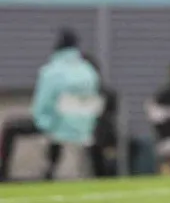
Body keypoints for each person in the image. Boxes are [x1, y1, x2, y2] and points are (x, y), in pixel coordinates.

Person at [0, 29, 102, 181]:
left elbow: (42, 105)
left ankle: (3, 174)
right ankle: (96, 173)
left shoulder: (51, 71)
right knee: (60, 125)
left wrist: (43, 120)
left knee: (11, 127)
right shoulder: (88, 70)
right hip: (85, 126)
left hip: (59, 125)